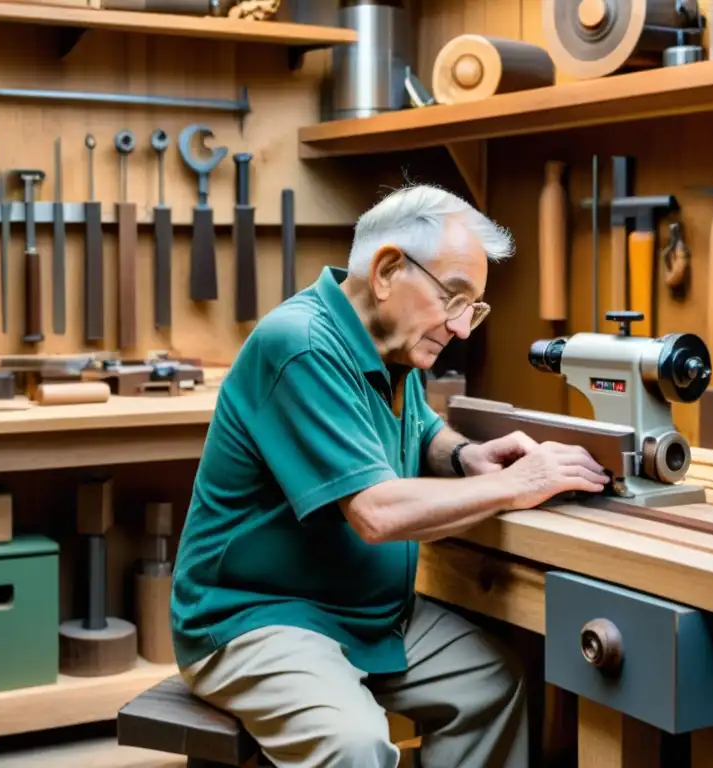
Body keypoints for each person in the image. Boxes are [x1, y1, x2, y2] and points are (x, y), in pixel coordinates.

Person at [171, 183, 609, 768]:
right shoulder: (300, 345)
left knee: (491, 686)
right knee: (353, 744)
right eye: (454, 298)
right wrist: (516, 483)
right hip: (257, 617)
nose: (462, 328)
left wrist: (465, 457)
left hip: (362, 612)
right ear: (386, 271)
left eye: (472, 307)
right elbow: (375, 512)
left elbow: (421, 430)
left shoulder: (392, 348)